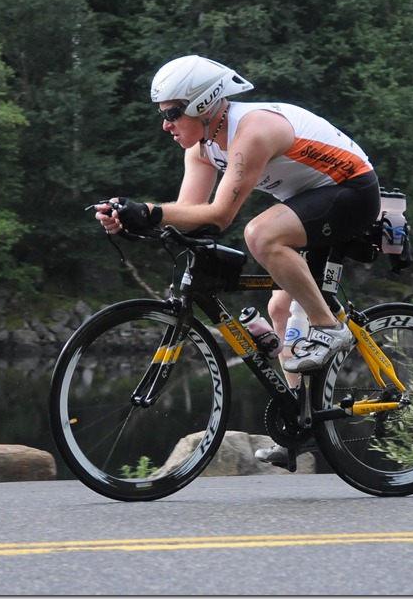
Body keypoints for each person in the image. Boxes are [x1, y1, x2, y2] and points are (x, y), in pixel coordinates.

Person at [95, 55, 380, 466]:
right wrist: (131, 220)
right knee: (280, 308)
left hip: (352, 190)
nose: (166, 125)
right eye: (162, 115)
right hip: (311, 203)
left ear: (202, 105)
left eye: (172, 114)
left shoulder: (253, 130)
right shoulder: (202, 148)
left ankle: (329, 328)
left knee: (260, 235)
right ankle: (302, 425)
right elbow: (192, 218)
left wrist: (150, 210)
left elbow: (219, 217)